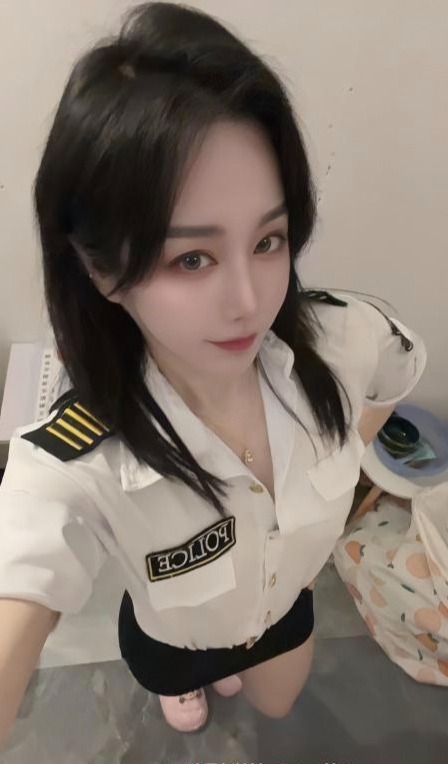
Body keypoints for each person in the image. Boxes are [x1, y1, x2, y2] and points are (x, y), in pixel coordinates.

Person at [0, 1, 428, 742]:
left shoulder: (344, 340)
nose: (250, 301)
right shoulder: (77, 459)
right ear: (102, 271)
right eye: (191, 258)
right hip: (174, 642)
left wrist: (341, 448)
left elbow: (392, 372)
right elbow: (21, 580)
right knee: (180, 677)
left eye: (268, 241)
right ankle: (191, 677)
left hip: (285, 610)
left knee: (278, 706)